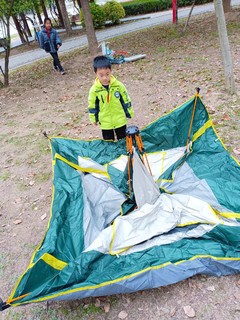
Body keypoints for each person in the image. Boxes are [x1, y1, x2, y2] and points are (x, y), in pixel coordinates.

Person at [88, 56, 134, 141]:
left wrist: (129, 112)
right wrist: (93, 119)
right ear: (96, 74)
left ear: (111, 71)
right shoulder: (94, 90)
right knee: (109, 143)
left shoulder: (118, 86)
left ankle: (125, 153)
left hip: (120, 120)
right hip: (105, 122)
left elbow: (125, 100)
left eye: (107, 74)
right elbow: (93, 106)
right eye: (101, 75)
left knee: (123, 140)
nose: (105, 78)